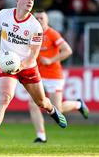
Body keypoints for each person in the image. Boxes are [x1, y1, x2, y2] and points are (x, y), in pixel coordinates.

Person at [0, 0, 68, 148]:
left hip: (27, 66)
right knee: (5, 97)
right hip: (7, 64)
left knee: (41, 102)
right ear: (17, 0)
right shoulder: (3, 14)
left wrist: (20, 66)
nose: (30, 1)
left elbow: (33, 55)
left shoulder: (35, 26)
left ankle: (52, 110)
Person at [28, 9, 89, 143]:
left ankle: (78, 104)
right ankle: (41, 136)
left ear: (47, 20)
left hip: (54, 76)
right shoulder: (31, 34)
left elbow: (68, 50)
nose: (38, 21)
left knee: (58, 109)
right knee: (33, 104)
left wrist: (51, 60)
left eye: (41, 18)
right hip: (38, 75)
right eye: (36, 18)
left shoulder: (52, 34)